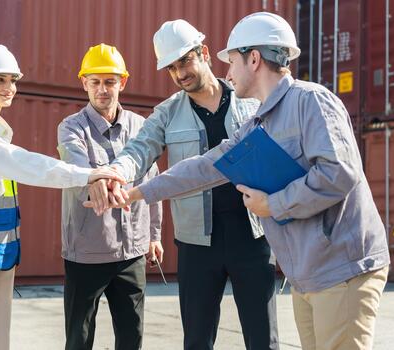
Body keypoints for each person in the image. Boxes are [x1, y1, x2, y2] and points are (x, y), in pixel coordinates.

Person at [90, 12, 391, 350]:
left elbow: (341, 174)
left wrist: (271, 204)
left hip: (337, 265)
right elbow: (203, 167)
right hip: (302, 271)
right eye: (171, 67)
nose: (229, 72)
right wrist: (132, 192)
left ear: (254, 58)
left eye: (231, 61)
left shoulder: (309, 102)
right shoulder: (257, 123)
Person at [89, 20, 278, 350]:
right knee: (197, 341)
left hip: (252, 235)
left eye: (185, 61)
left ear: (204, 53)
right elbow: (139, 150)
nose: (179, 73)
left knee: (263, 339)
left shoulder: (250, 100)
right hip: (196, 243)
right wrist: (114, 173)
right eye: (172, 68)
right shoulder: (166, 113)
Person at [0, 43, 124, 350]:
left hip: (0, 258)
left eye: (12, 79)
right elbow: (28, 165)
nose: (9, 87)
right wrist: (87, 174)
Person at [57, 43, 163, 350]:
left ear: (123, 83)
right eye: (95, 82)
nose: (102, 89)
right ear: (84, 83)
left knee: (132, 336)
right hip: (87, 252)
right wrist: (98, 178)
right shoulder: (71, 128)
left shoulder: (141, 127)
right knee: (79, 338)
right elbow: (76, 162)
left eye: (110, 81)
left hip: (132, 253)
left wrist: (154, 236)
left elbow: (152, 184)